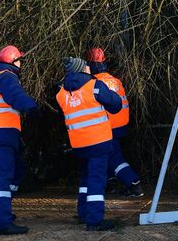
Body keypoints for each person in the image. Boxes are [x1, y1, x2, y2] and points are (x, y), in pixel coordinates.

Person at [55, 56, 123, 231]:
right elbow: (115, 104)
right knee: (96, 180)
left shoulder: (61, 93)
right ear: (82, 69)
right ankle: (94, 220)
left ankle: (83, 213)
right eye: (86, 66)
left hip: (79, 143)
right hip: (98, 141)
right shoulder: (94, 86)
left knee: (85, 178)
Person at [0, 45, 39, 235]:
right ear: (13, 61)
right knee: (2, 176)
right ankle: (2, 222)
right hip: (1, 132)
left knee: (17, 171)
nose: (21, 63)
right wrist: (32, 107)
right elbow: (16, 96)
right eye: (19, 59)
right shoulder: (6, 76)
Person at [85, 47, 143, 197]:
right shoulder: (115, 80)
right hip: (120, 125)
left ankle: (133, 183)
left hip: (107, 126)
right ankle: (110, 183)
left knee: (114, 158)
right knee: (107, 155)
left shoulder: (95, 82)